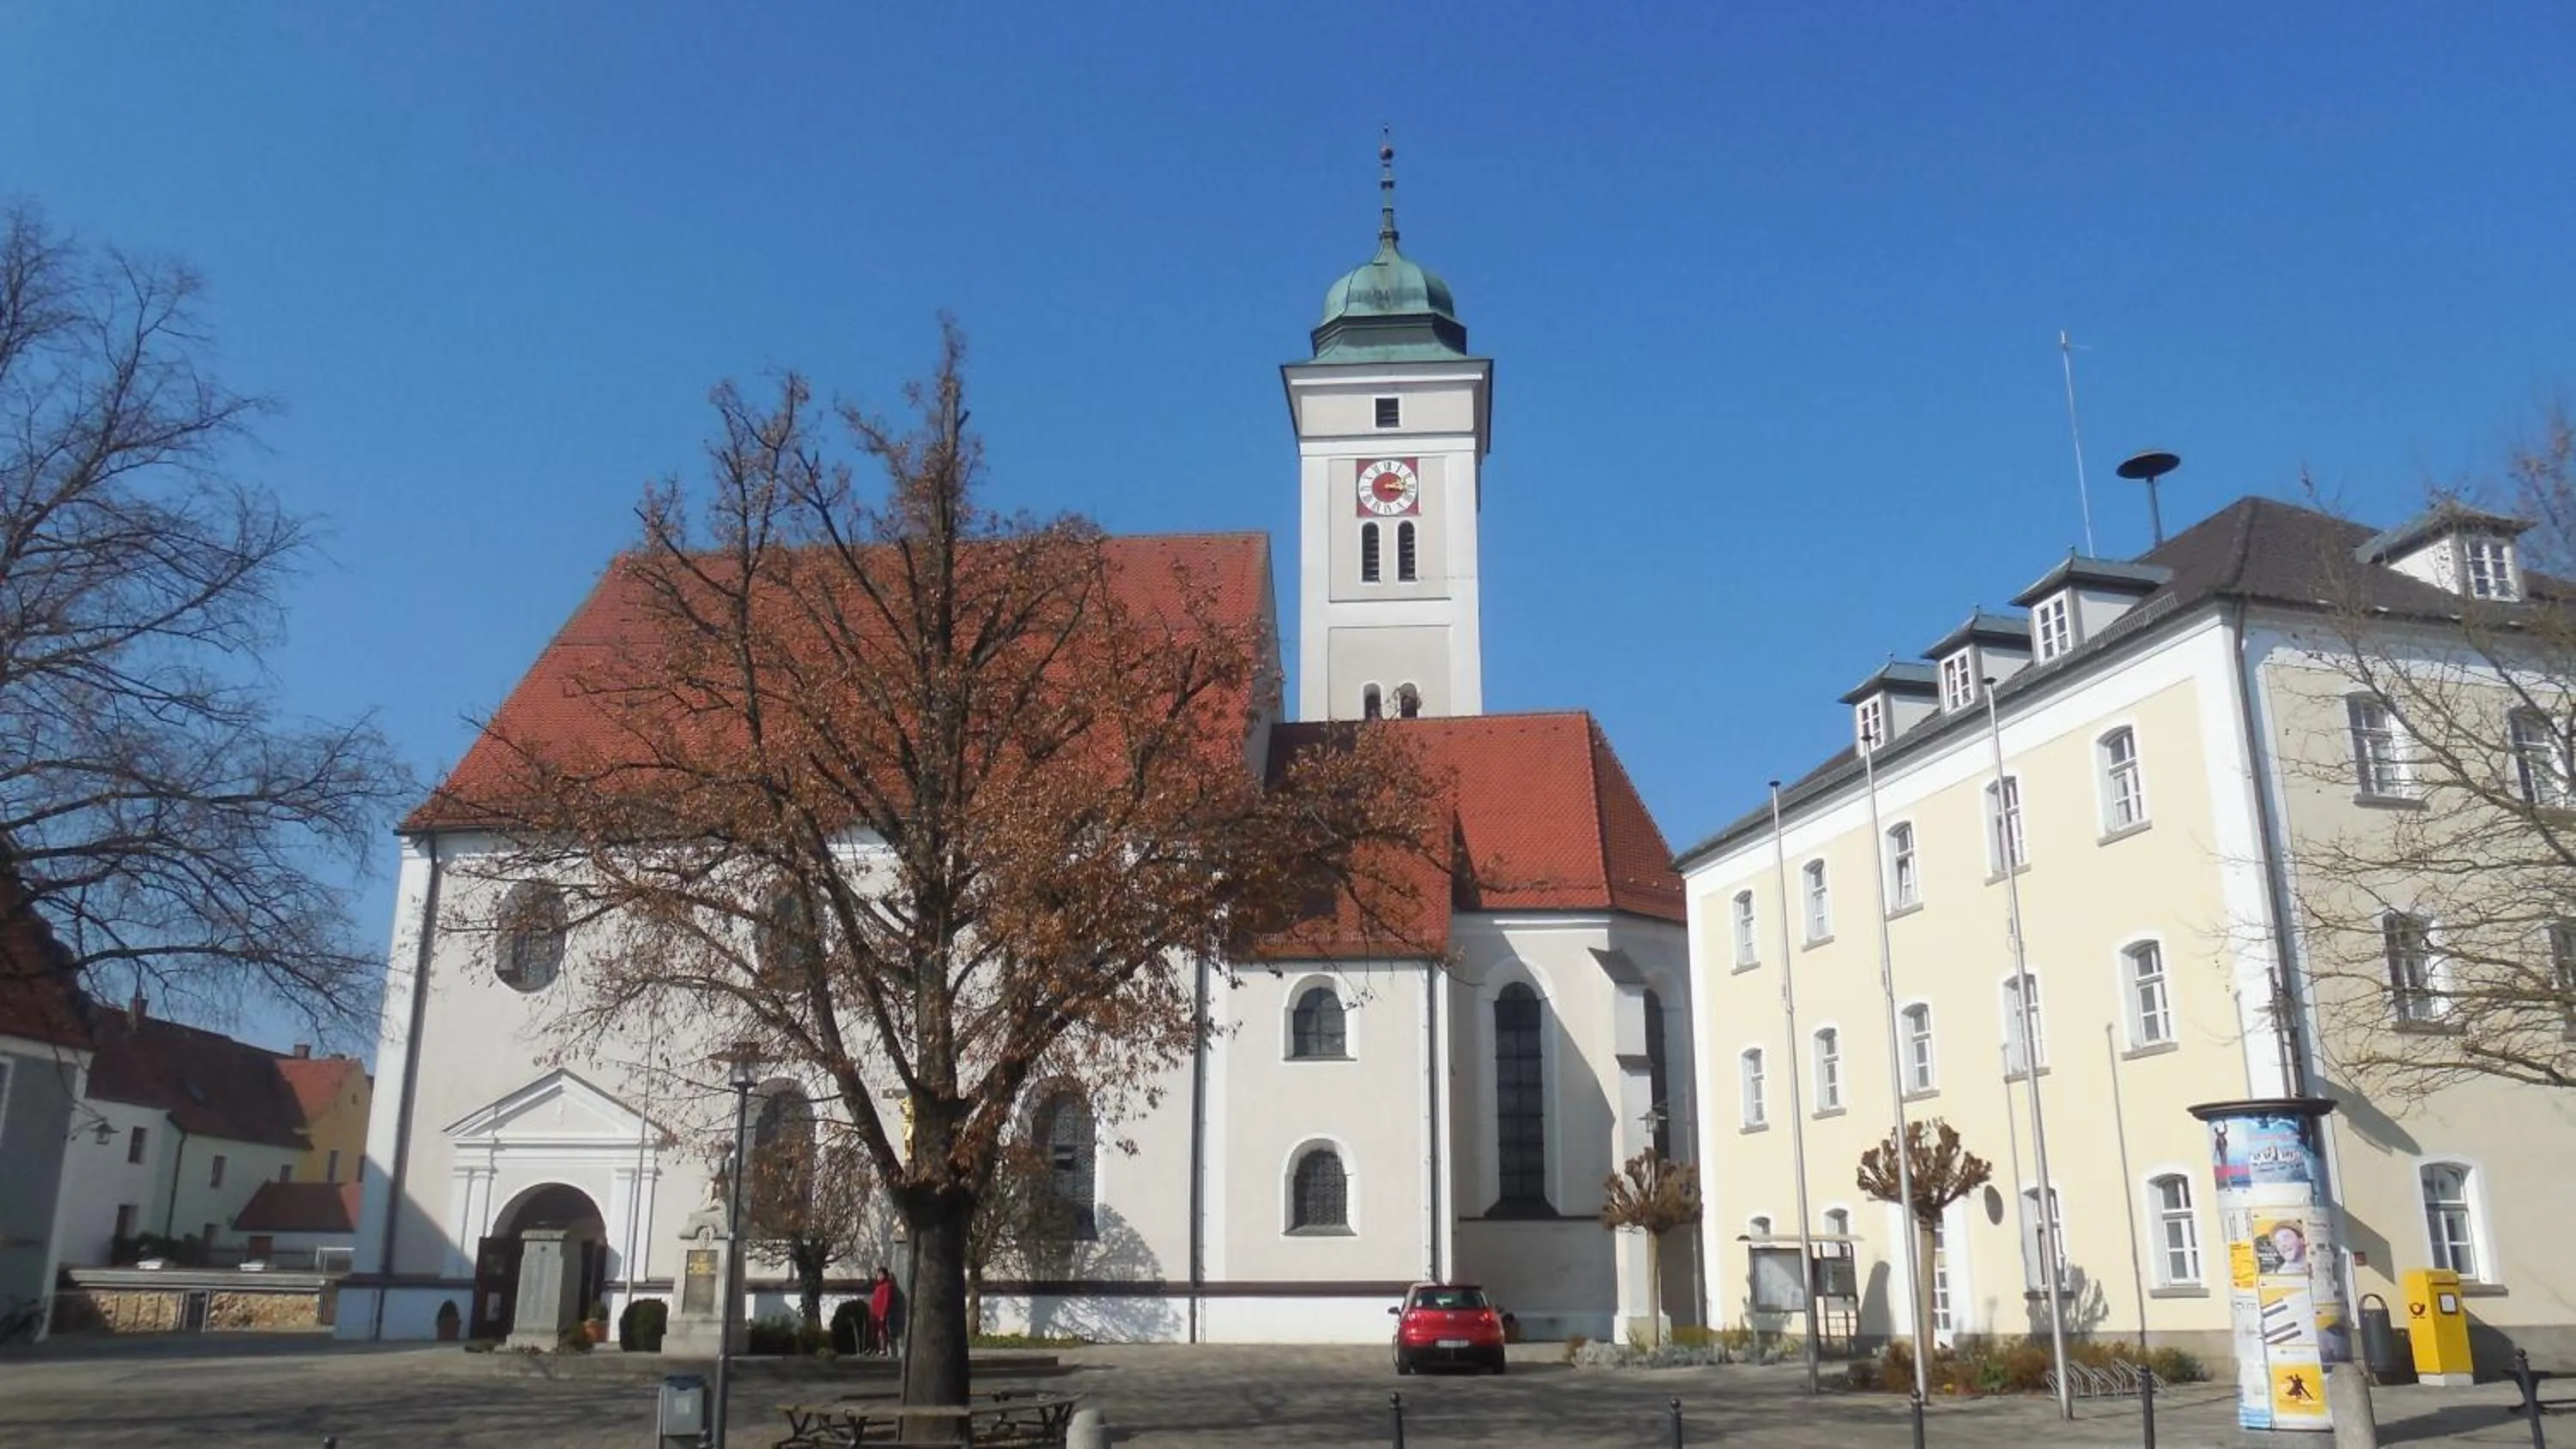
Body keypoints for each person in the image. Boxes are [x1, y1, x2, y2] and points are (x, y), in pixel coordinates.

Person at [868, 1266, 896, 1356]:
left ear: (885, 1275)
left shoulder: (887, 1286)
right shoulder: (878, 1286)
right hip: (874, 1312)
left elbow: (887, 1301)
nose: (879, 1276)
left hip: (881, 1313)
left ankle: (884, 1348)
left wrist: (883, 1313)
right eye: (878, 1274)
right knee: (873, 1332)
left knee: (883, 1331)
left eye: (881, 1274)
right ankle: (873, 1348)